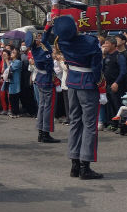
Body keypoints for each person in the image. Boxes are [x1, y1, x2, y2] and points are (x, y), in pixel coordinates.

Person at [44, 13, 105, 180]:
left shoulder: (61, 41)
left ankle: (74, 164)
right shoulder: (90, 42)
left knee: (75, 123)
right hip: (87, 83)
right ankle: (85, 165)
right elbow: (97, 66)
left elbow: (52, 33)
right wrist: (100, 85)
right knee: (90, 125)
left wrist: (54, 12)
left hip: (72, 82)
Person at [28, 32, 60, 143]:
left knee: (42, 106)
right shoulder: (42, 53)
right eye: (37, 38)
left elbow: (45, 39)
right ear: (35, 41)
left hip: (41, 79)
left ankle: (41, 133)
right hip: (47, 79)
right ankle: (46, 133)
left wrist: (48, 25)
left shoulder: (36, 49)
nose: (39, 38)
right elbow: (49, 66)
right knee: (48, 107)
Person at [102, 37, 127, 132]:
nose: (105, 45)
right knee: (109, 105)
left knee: (117, 105)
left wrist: (116, 82)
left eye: (107, 43)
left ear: (113, 45)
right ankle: (112, 124)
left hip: (117, 85)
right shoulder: (107, 56)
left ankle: (121, 125)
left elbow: (123, 71)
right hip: (107, 85)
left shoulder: (119, 56)